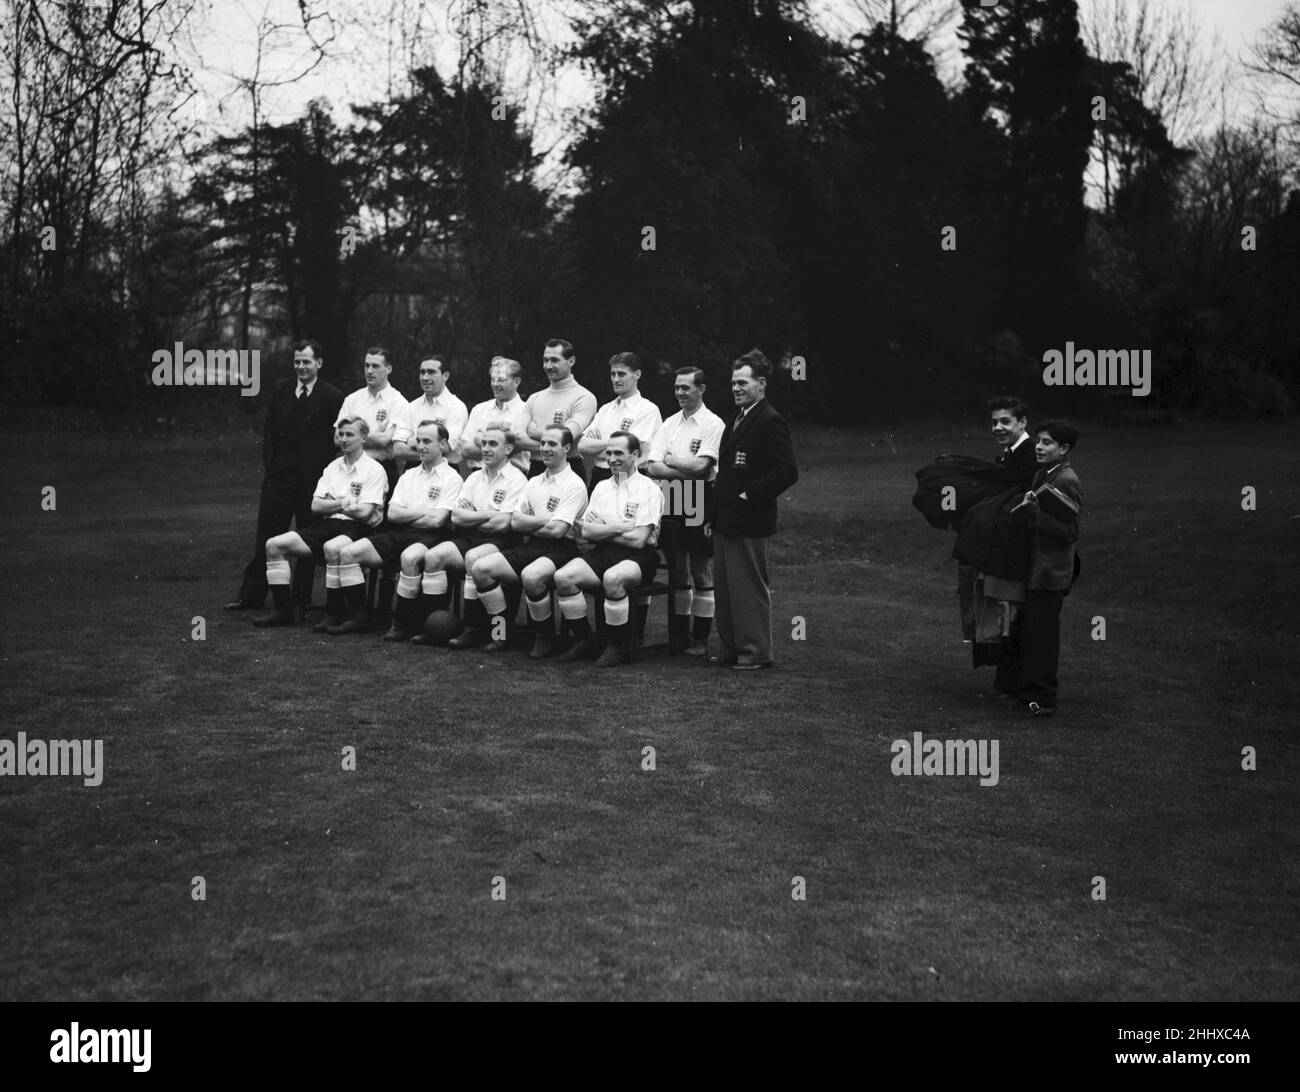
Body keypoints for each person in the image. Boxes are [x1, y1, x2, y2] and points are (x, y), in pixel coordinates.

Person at [226, 339, 343, 612]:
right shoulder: (281, 389)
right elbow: (269, 432)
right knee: (266, 536)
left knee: (306, 539)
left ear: (319, 363)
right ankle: (251, 596)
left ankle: (300, 597)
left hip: (311, 481)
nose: (301, 367)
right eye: (297, 361)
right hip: (279, 477)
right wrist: (272, 464)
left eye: (307, 361)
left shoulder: (333, 397)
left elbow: (332, 441)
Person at [329, 421, 462, 639]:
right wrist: (422, 512)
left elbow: (437, 521)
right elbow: (393, 514)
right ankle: (358, 617)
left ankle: (402, 623)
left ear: (443, 444)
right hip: (399, 532)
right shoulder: (408, 475)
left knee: (409, 558)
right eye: (418, 440)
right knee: (348, 553)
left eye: (427, 441)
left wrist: (410, 513)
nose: (420, 446)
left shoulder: (452, 478)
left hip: (431, 537)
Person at [708, 349, 798, 670]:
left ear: (761, 384)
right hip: (726, 521)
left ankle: (755, 652)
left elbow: (787, 471)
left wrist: (750, 495)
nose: (736, 388)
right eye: (733, 382)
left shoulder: (770, 420)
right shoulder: (736, 418)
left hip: (750, 519)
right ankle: (732, 648)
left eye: (742, 382)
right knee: (727, 588)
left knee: (748, 588)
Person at [252, 417, 388, 628]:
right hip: (328, 525)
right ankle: (282, 611)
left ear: (363, 438)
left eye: (349, 434)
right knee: (273, 545)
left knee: (332, 548)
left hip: (360, 529)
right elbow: (315, 505)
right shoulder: (333, 467)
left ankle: (338, 614)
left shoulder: (374, 470)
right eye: (340, 434)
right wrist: (345, 502)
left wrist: (333, 503)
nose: (343, 439)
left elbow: (365, 512)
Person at [463, 427, 588, 656]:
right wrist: (544, 520)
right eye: (543, 444)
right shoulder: (534, 482)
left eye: (552, 444)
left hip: (563, 551)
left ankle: (544, 636)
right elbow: (516, 523)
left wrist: (534, 522)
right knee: (481, 569)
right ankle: (500, 633)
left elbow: (558, 531)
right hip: (532, 545)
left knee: (532, 576)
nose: (545, 449)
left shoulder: (574, 484)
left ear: (567, 448)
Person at [553, 432, 664, 667]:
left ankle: (617, 645)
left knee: (613, 579)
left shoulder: (649, 489)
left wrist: (603, 528)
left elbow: (639, 540)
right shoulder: (602, 487)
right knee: (563, 577)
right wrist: (616, 527)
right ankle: (585, 639)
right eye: (609, 453)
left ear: (635, 455)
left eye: (618, 453)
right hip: (604, 552)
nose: (612, 459)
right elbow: (586, 532)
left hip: (639, 557)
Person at [412, 425, 526, 645]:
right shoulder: (474, 478)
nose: (485, 449)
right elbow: (456, 518)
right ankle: (433, 625)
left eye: (493, 444)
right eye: (483, 443)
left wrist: (473, 514)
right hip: (472, 537)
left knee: (474, 559)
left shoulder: (517, 479)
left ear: (508, 448)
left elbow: (503, 524)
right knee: (434, 556)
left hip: (503, 543)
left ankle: (477, 629)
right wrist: (486, 514)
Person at [644, 366, 725, 655]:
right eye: (677, 387)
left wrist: (670, 460)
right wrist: (683, 466)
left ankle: (701, 639)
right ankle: (680, 638)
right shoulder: (668, 424)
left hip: (702, 498)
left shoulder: (713, 424)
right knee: (677, 569)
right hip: (672, 498)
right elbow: (651, 466)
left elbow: (703, 468)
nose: (679, 392)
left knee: (701, 569)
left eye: (686, 388)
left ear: (701, 389)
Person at [1008, 421, 1083, 718]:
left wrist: (1036, 515)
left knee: (1043, 638)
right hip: (1035, 568)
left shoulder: (1067, 479)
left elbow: (1070, 532)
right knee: (1030, 633)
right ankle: (1027, 694)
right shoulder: (1043, 473)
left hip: (1051, 572)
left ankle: (1043, 699)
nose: (1039, 446)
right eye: (1038, 441)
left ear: (1064, 449)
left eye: (1047, 442)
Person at [577, 352, 663, 487]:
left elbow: (633, 450)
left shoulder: (648, 410)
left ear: (637, 374)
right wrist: (618, 444)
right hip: (599, 476)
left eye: (621, 374)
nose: (616, 379)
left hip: (629, 477)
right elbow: (582, 446)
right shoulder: (606, 409)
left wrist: (599, 444)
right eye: (613, 374)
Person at [519, 339, 597, 483]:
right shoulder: (534, 398)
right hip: (536, 470)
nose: (548, 366)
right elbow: (518, 438)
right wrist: (555, 445)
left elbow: (567, 436)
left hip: (569, 470)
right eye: (545, 360)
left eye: (554, 360)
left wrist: (537, 433)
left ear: (571, 361)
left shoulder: (584, 397)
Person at [335, 346, 408, 492]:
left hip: (382, 468)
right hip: (350, 468)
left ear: (388, 369)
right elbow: (337, 438)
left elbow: (385, 440)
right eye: (366, 365)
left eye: (375, 366)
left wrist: (350, 436)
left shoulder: (398, 402)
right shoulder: (352, 399)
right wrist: (373, 438)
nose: (369, 371)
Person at [397, 355, 468, 472]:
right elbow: (398, 449)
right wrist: (433, 444)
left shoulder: (456, 407)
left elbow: (445, 448)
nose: (425, 377)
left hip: (445, 471)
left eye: (431, 372)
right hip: (412, 471)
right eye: (422, 372)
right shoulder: (412, 406)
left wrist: (412, 441)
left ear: (445, 376)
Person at [461, 357, 531, 474]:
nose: (495, 384)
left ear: (517, 382)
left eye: (501, 380)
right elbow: (465, 450)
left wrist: (480, 440)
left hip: (514, 477)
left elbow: (520, 446)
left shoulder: (526, 411)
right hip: (478, 477)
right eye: (493, 380)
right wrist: (501, 445)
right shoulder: (479, 410)